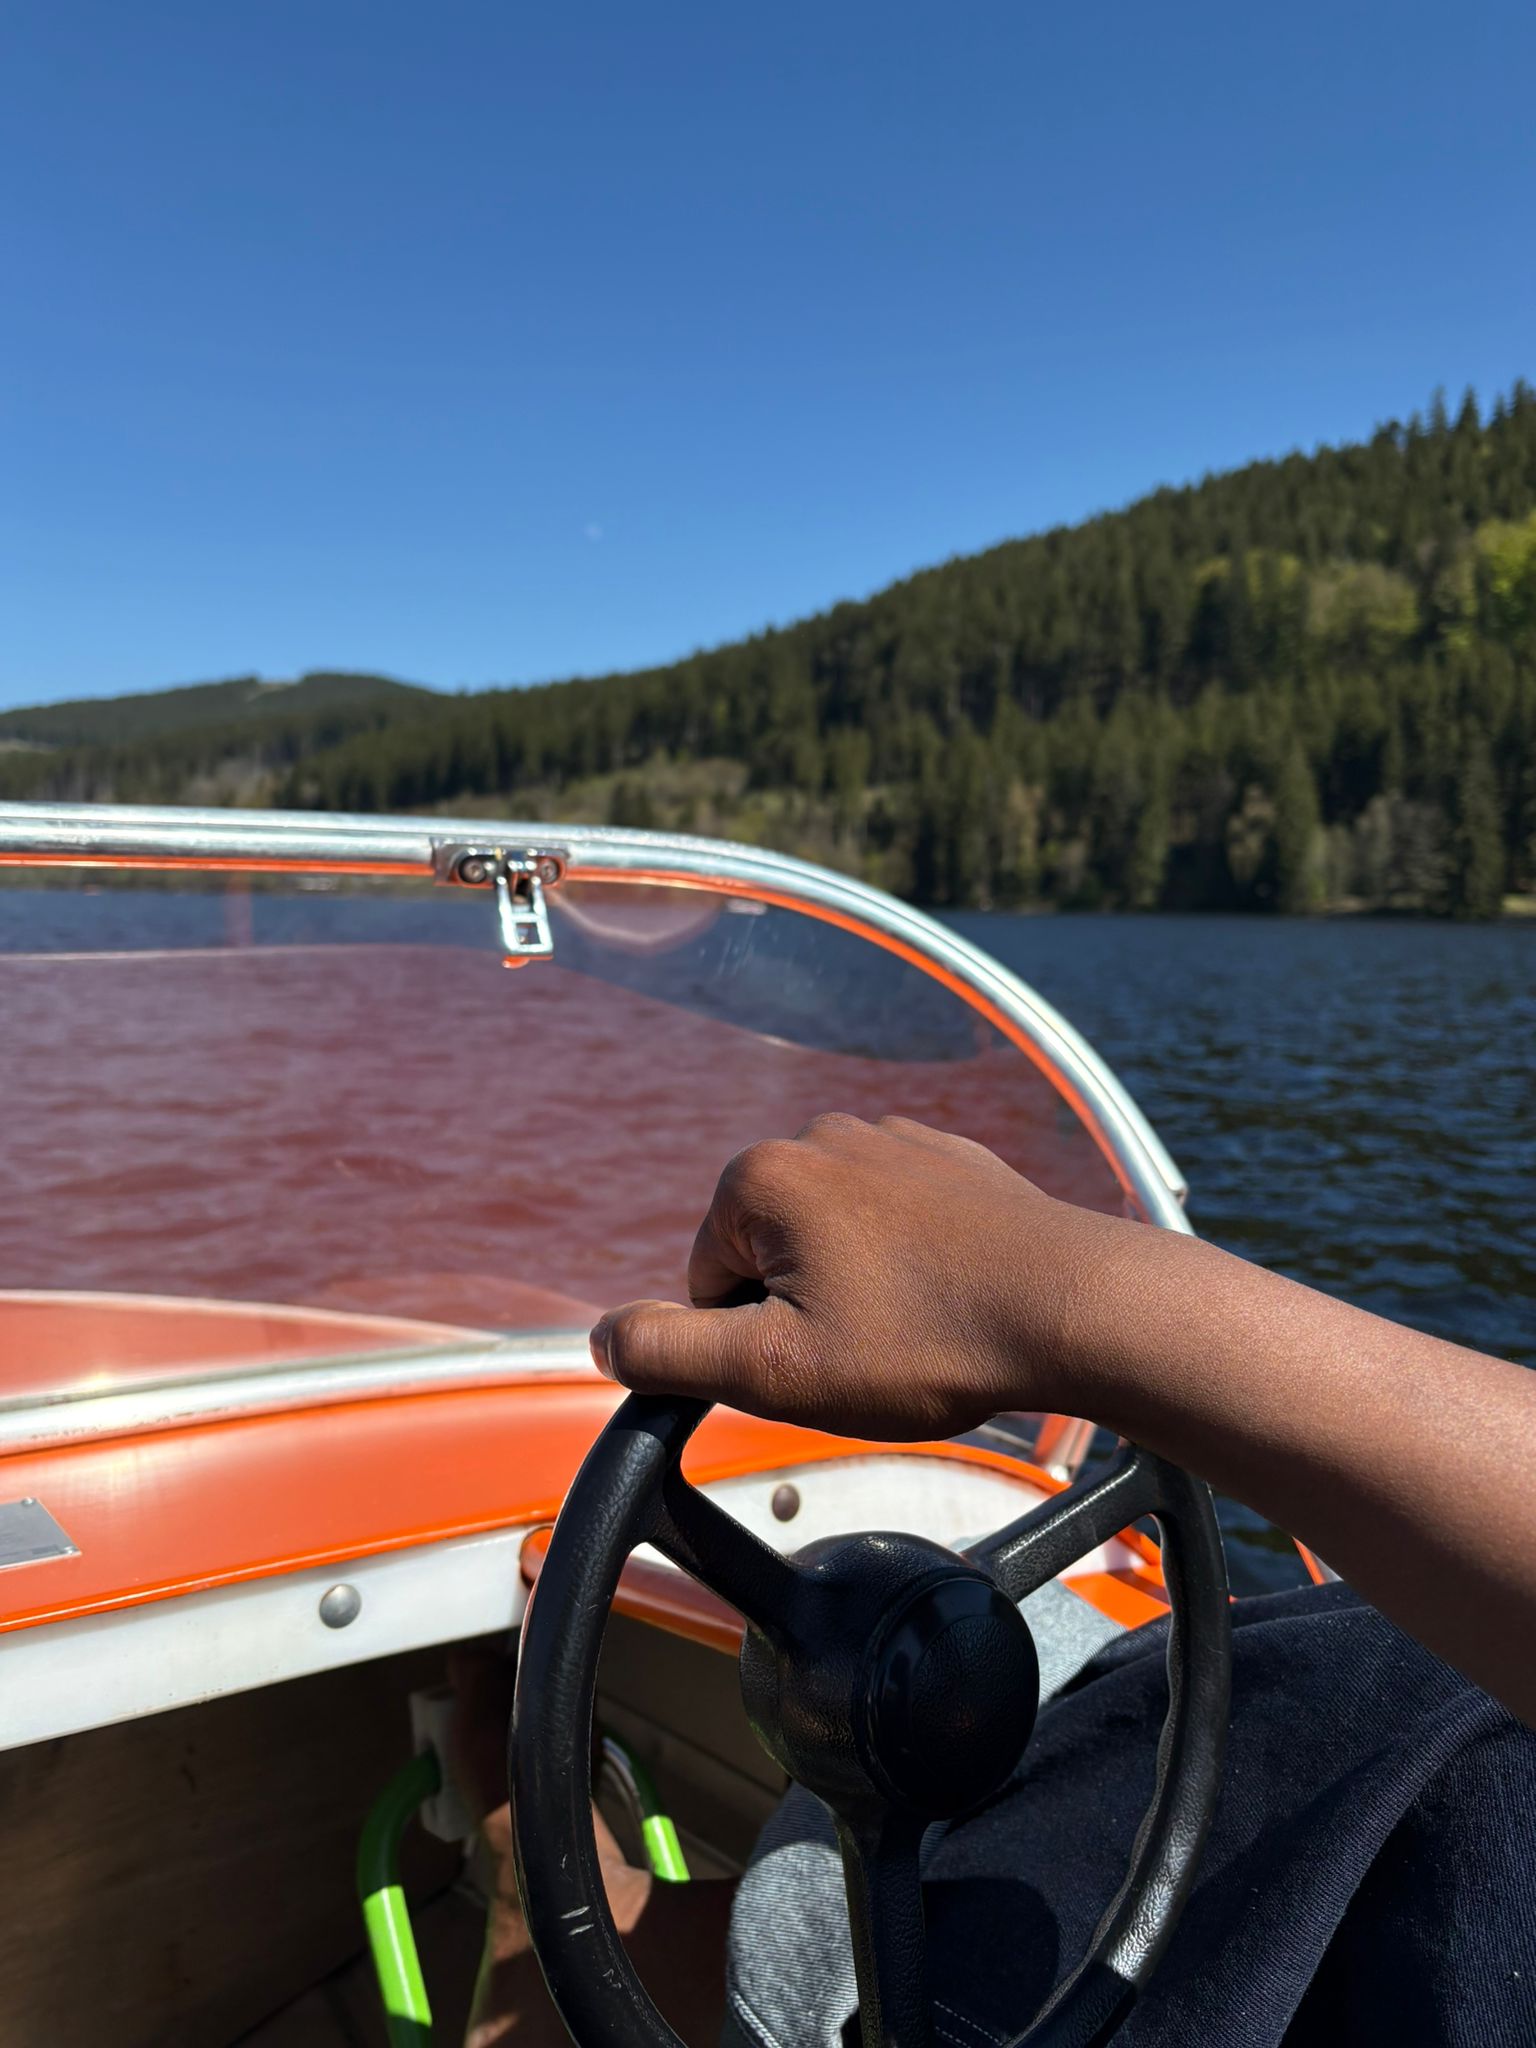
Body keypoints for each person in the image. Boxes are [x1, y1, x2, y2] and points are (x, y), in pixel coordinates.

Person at [453, 1115, 1536, 2048]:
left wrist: (1074, 1288)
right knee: (1041, 1624)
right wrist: (1062, 1285)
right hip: (1302, 1700)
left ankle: (569, 1912)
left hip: (1129, 1955)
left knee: (810, 1939)